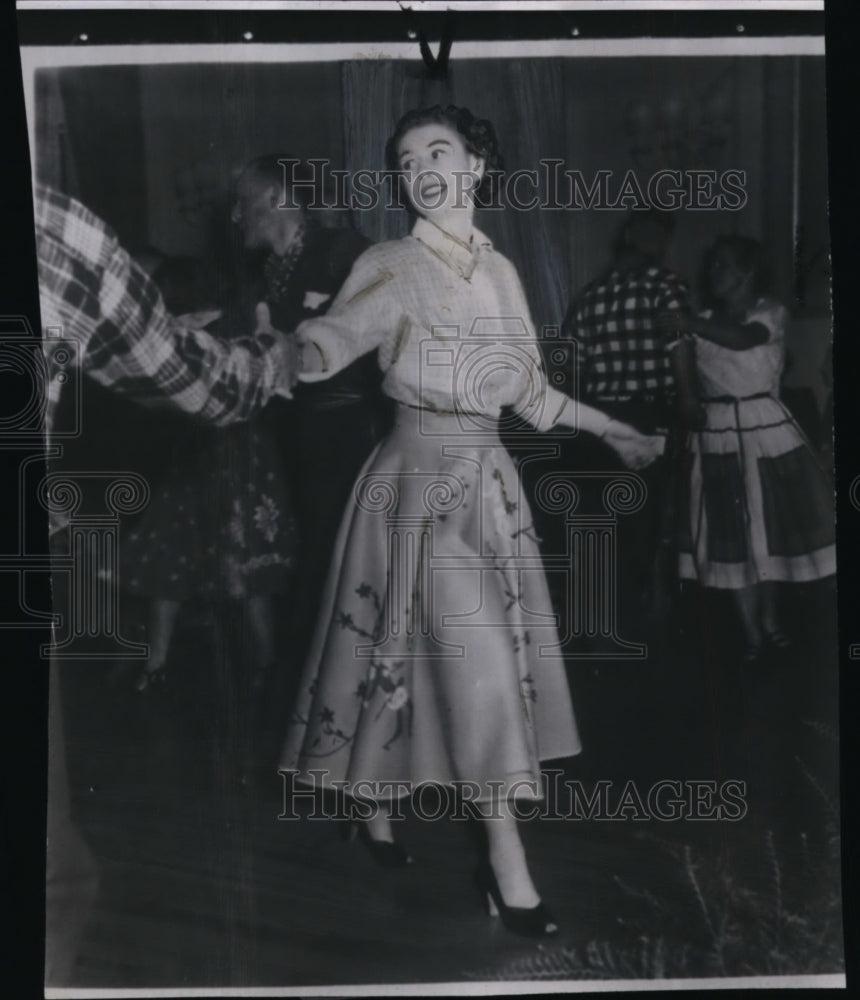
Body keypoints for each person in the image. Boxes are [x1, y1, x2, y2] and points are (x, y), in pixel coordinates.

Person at [280, 106, 663, 938]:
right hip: (412, 479)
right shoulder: (390, 262)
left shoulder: (500, 271)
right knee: (444, 659)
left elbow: (528, 392)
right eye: (407, 157)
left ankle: (375, 806)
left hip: (487, 482)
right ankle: (504, 865)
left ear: (478, 167)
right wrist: (293, 348)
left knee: (435, 659)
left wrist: (615, 430)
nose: (421, 167)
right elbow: (336, 337)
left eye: (439, 151)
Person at [34, 182, 297, 983]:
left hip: (210, 464)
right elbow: (194, 380)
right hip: (210, 431)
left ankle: (227, 677)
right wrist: (270, 356)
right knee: (45, 877)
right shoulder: (49, 224)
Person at [231, 156, 390, 676]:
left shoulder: (343, 251)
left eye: (244, 202)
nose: (236, 216)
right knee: (314, 557)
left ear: (278, 198)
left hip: (351, 434)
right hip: (297, 437)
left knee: (345, 558)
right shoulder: (259, 276)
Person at [668, 235, 836, 663]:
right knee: (736, 540)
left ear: (746, 273)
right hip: (718, 435)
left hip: (768, 435)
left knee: (768, 539)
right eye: (713, 266)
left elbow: (744, 339)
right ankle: (752, 636)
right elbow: (682, 367)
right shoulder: (699, 319)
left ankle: (772, 624)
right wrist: (687, 393)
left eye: (723, 266)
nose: (713, 274)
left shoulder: (770, 312)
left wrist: (687, 322)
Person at [562, 211, 701, 639]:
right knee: (652, 518)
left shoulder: (590, 294)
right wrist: (689, 401)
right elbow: (678, 343)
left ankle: (600, 620)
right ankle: (642, 619)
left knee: (605, 520)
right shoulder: (664, 284)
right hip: (650, 417)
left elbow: (572, 369)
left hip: (601, 419)